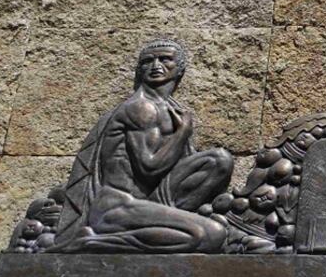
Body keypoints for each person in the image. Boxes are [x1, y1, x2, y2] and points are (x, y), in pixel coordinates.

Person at [49, 39, 233, 252]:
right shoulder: (141, 108)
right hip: (117, 207)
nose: (156, 66)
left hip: (148, 201)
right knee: (213, 235)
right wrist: (182, 132)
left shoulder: (169, 108)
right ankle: (91, 241)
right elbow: (149, 167)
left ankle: (171, 221)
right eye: (148, 61)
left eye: (165, 59)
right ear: (139, 69)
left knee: (219, 160)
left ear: (180, 68)